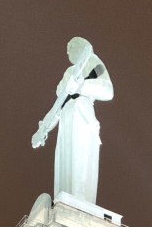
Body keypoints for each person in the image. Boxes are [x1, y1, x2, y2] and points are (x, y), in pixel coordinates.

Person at [32, 37, 113, 205]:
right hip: (66, 117)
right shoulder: (68, 72)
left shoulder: (90, 60)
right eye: (67, 48)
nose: (68, 51)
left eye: (72, 46)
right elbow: (58, 105)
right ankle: (64, 203)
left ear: (82, 46)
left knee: (80, 160)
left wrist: (80, 86)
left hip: (81, 112)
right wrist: (43, 129)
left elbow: (107, 90)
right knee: (65, 163)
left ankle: (81, 203)